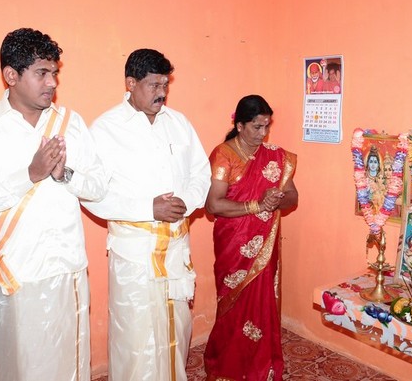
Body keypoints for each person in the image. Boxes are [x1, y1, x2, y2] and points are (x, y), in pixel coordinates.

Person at [0, 28, 107, 380]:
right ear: (11, 75)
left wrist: (64, 174)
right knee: (20, 369)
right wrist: (29, 174)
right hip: (16, 274)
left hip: (67, 269)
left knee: (71, 368)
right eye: (42, 73)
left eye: (54, 72)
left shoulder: (70, 123)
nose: (52, 82)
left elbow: (98, 188)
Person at [81, 49, 211, 381]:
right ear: (131, 84)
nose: (162, 92)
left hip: (175, 251)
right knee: (135, 337)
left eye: (165, 84)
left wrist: (186, 201)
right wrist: (147, 209)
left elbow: (201, 173)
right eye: (154, 85)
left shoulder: (178, 123)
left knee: (177, 328)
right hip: (134, 256)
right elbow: (91, 193)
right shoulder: (106, 129)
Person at [203, 95, 298, 380]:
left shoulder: (276, 156)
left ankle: (261, 364)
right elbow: (213, 205)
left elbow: (293, 197)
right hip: (234, 244)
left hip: (264, 245)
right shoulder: (224, 155)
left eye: (267, 126)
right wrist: (258, 205)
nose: (263, 133)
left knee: (261, 302)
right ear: (240, 125)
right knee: (233, 304)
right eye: (257, 127)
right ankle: (228, 365)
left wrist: (276, 198)